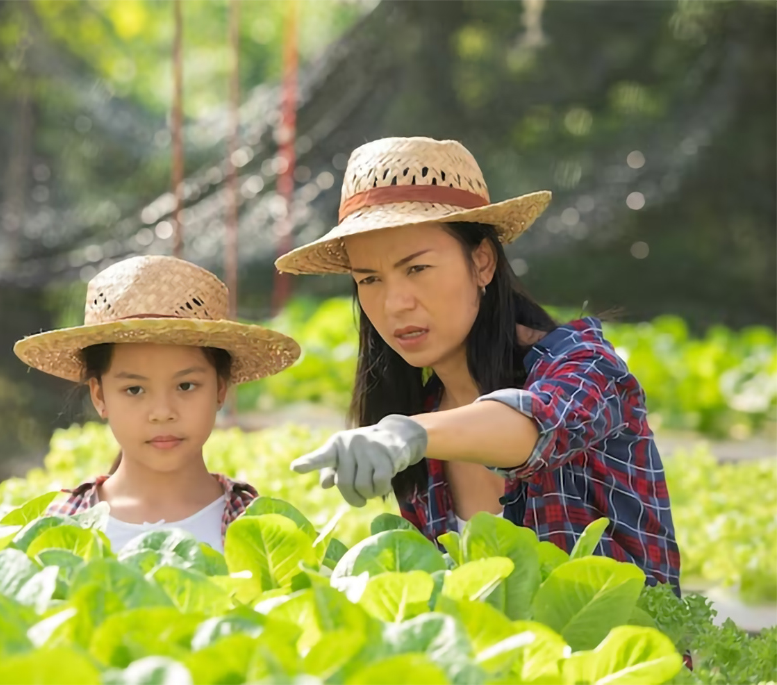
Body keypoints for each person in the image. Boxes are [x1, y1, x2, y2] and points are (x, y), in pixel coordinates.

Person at [277, 137, 681, 590]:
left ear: (482, 262)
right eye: (369, 280)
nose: (394, 304)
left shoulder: (585, 365)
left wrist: (410, 434)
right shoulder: (423, 421)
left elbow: (538, 426)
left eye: (417, 269)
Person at [14, 255, 300, 552]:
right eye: (135, 389)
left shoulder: (261, 526)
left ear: (220, 389)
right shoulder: (61, 528)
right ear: (99, 396)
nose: (163, 412)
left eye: (185, 386)